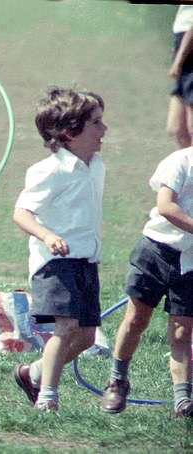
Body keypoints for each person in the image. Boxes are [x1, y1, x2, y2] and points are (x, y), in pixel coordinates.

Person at [12, 87, 108, 412]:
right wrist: (47, 235)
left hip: (85, 259)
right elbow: (21, 213)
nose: (104, 129)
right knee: (65, 328)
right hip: (55, 262)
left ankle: (34, 373)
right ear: (70, 131)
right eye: (96, 123)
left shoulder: (96, 166)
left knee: (87, 338)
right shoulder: (49, 170)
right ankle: (47, 399)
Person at [100, 148, 193, 417]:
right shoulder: (181, 161)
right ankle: (117, 381)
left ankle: (182, 400)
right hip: (155, 252)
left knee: (182, 331)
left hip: (190, 262)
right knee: (137, 319)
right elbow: (166, 205)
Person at [166, 5, 193, 147]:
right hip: (182, 39)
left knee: (191, 128)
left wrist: (179, 58)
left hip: (189, 43)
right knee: (177, 129)